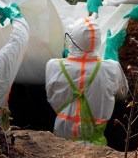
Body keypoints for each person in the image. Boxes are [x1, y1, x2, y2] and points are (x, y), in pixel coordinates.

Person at [44, 17, 127, 146]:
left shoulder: (53, 66)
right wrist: (112, 54)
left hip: (60, 145)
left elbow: (51, 95)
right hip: (96, 147)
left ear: (72, 41)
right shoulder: (111, 68)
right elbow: (123, 94)